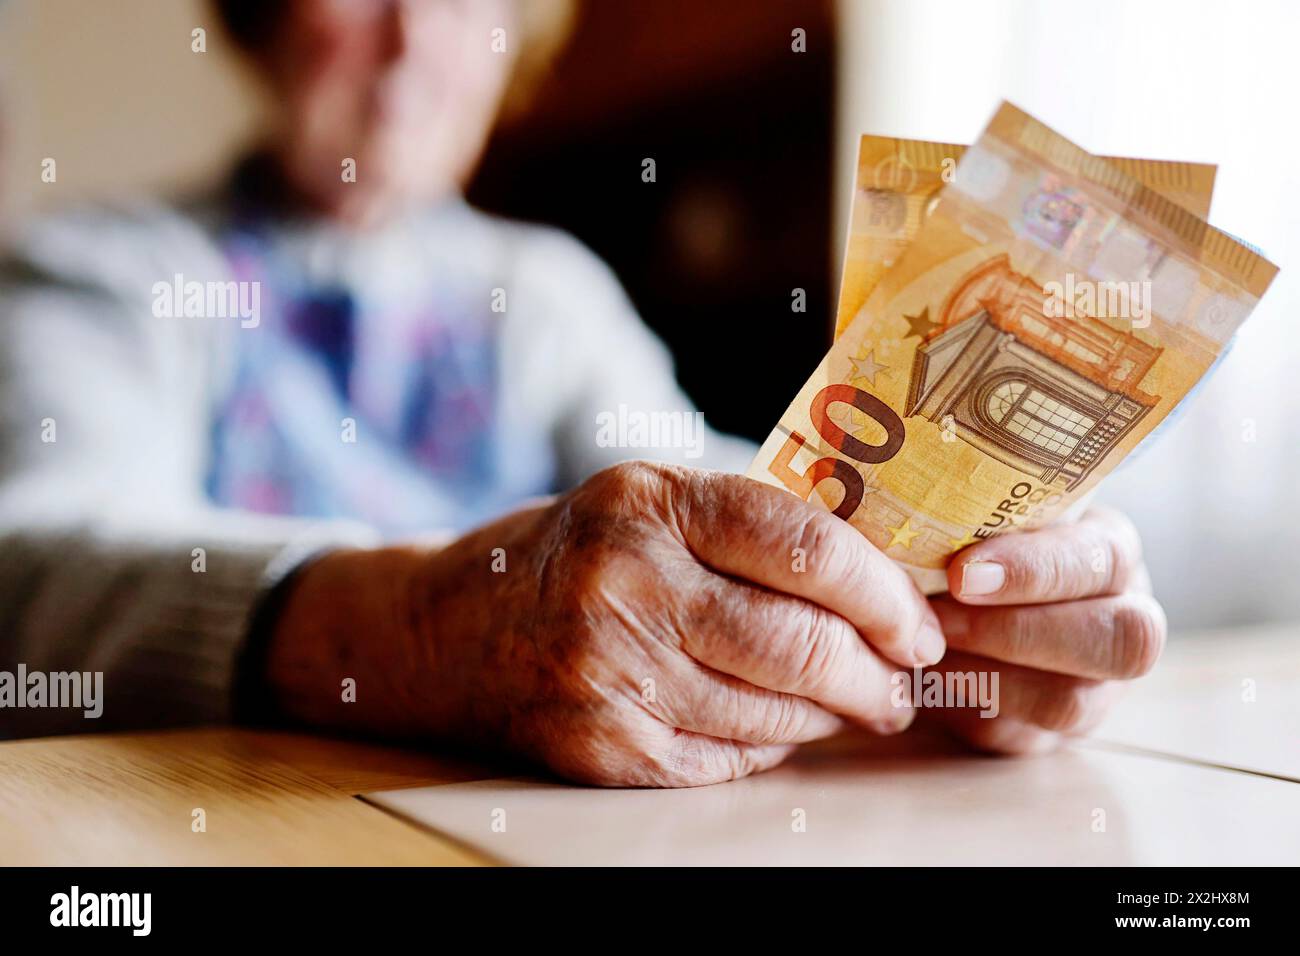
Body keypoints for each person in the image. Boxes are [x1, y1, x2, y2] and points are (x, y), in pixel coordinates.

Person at [0, 0, 1164, 785]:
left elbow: (704, 484)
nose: (413, 40)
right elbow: (32, 569)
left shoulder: (543, 291)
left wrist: (947, 591)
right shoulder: (107, 268)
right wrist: (417, 626)